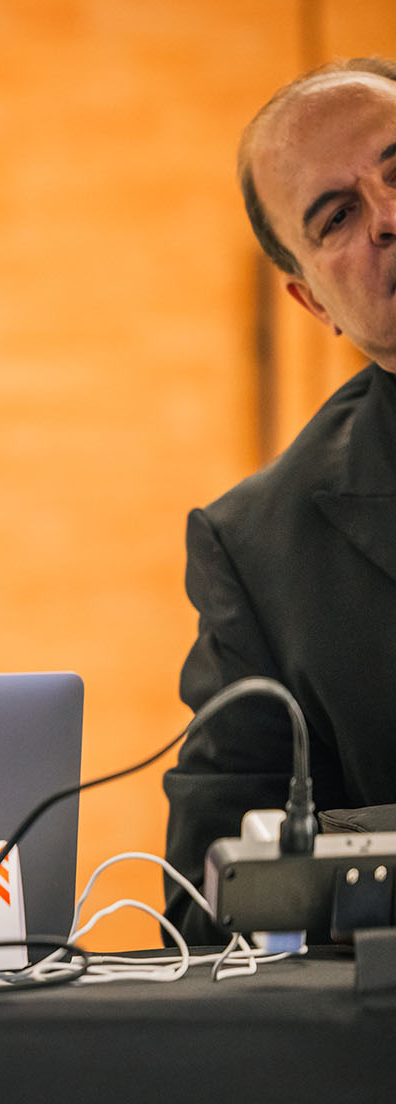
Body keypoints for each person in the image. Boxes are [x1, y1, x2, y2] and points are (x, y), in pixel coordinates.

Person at [164, 57, 396, 941]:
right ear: (312, 299)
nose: (386, 217)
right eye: (337, 217)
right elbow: (204, 894)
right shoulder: (258, 547)